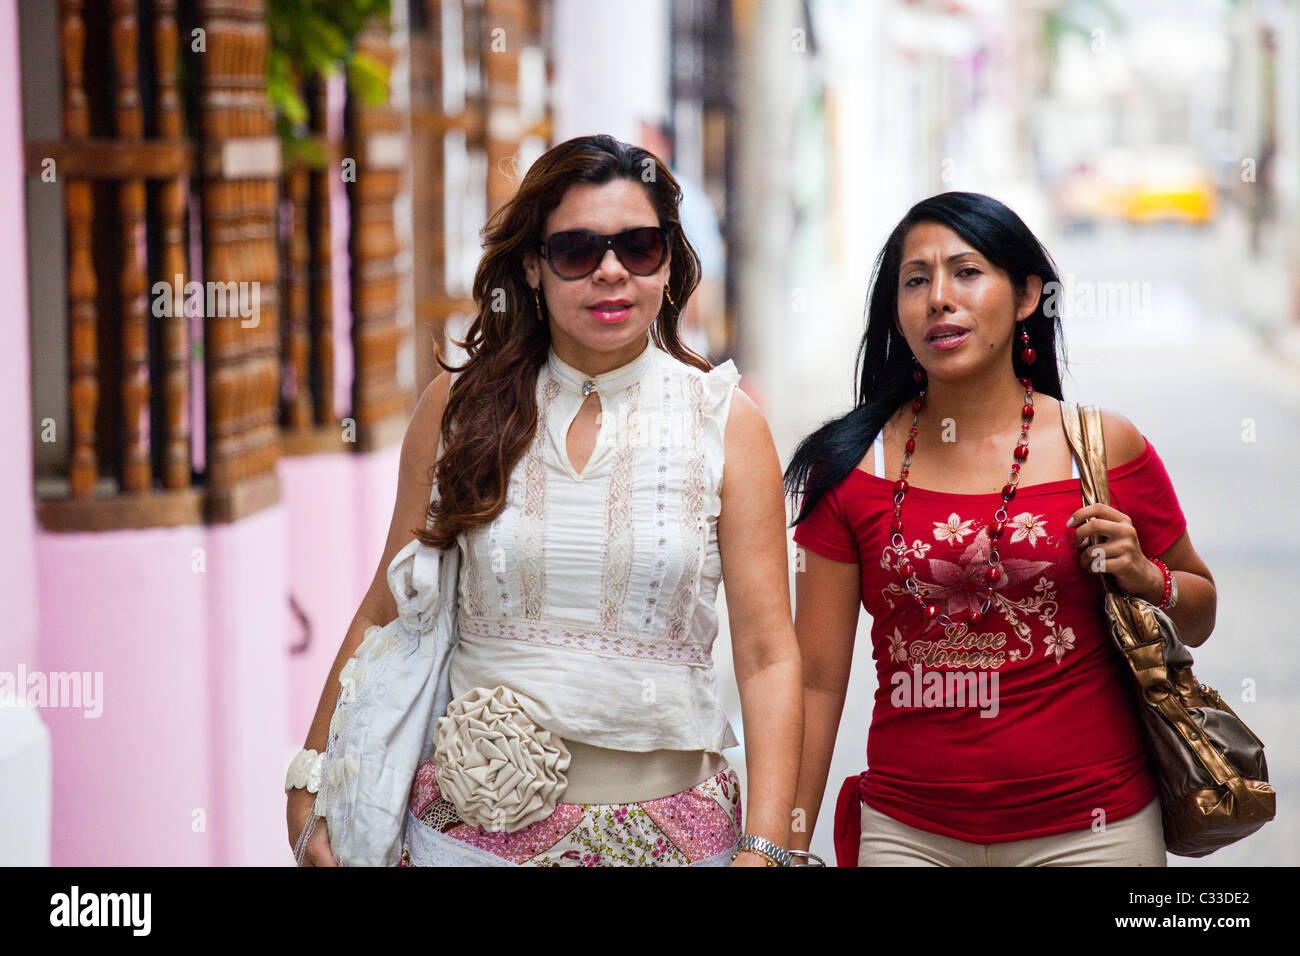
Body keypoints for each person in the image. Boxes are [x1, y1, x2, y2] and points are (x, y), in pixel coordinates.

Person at [286, 134, 803, 867]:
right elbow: (388, 605)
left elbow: (766, 654)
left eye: (639, 247)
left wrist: (766, 845)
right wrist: (310, 774)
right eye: (577, 251)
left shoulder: (724, 420)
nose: (611, 272)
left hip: (677, 841)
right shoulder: (460, 408)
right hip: (466, 838)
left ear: (668, 259)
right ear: (531, 265)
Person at [783, 191, 1217, 866]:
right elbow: (813, 681)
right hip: (907, 834)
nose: (939, 298)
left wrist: (1145, 576)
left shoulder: (1103, 448)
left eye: (966, 272)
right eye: (916, 280)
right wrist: (781, 844)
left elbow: (1199, 612)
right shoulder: (849, 469)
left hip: (1094, 833)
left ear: (1025, 297)